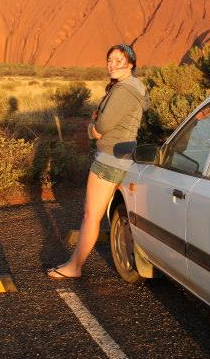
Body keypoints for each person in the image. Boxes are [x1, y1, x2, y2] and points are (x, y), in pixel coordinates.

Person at [48, 44, 149, 279]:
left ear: (131, 64)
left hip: (109, 159)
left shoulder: (124, 90)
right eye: (109, 60)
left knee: (90, 216)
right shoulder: (136, 87)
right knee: (117, 214)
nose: (112, 65)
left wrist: (93, 128)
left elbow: (103, 127)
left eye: (118, 60)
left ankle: (74, 267)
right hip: (124, 156)